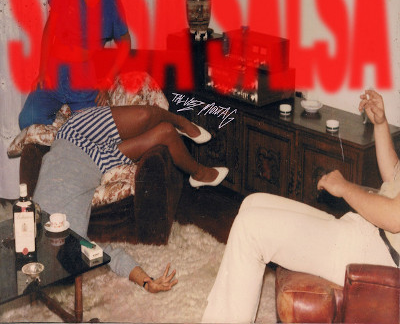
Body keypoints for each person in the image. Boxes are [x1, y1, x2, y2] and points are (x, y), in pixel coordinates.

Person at [202, 89, 399, 322]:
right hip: (368, 233)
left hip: (379, 256)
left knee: (249, 228)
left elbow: (393, 218)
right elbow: (393, 178)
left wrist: (345, 187)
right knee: (252, 203)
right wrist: (380, 124)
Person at [33, 103, 229, 292]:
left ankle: (181, 121)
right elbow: (112, 256)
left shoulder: (33, 221)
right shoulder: (77, 244)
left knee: (146, 115)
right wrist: (146, 282)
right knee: (166, 133)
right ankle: (199, 174)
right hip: (100, 163)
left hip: (73, 136)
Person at [19, 0, 131, 130]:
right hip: (54, 71)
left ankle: (71, 132)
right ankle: (63, 127)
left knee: (93, 130)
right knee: (27, 119)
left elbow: (125, 43)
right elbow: (49, 31)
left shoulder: (112, 2)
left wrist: (107, 80)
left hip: (84, 79)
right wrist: (42, 71)